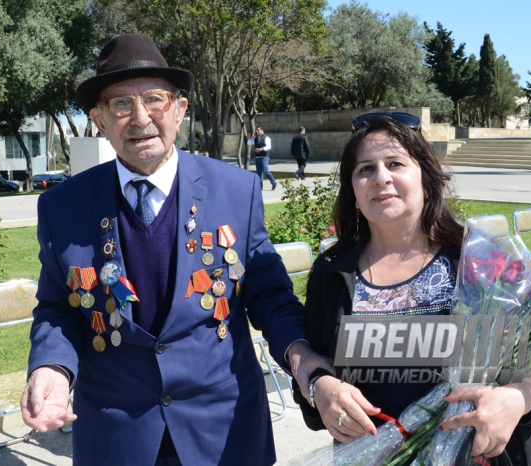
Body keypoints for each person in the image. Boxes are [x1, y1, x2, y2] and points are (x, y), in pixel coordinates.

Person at [20, 33, 329, 466]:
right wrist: (50, 368)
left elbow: (269, 295)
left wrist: (302, 355)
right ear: (99, 120)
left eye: (155, 99)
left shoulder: (236, 190)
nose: (140, 117)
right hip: (117, 438)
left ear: (180, 110)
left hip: (223, 433)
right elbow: (57, 307)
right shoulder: (62, 206)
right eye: (121, 104)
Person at [293, 114, 531, 465]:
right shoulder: (330, 274)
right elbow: (316, 367)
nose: (381, 178)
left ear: (426, 180)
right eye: (365, 169)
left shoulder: (481, 260)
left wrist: (519, 398)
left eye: (395, 163)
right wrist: (320, 390)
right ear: (354, 192)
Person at [247, 126, 277, 191]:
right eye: (256, 130)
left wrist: (260, 149)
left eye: (258, 130)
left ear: (262, 130)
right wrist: (252, 137)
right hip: (257, 157)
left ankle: (274, 183)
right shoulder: (256, 139)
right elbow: (249, 143)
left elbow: (269, 147)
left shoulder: (266, 138)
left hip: (264, 157)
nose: (257, 131)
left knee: (265, 170)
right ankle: (260, 187)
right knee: (259, 173)